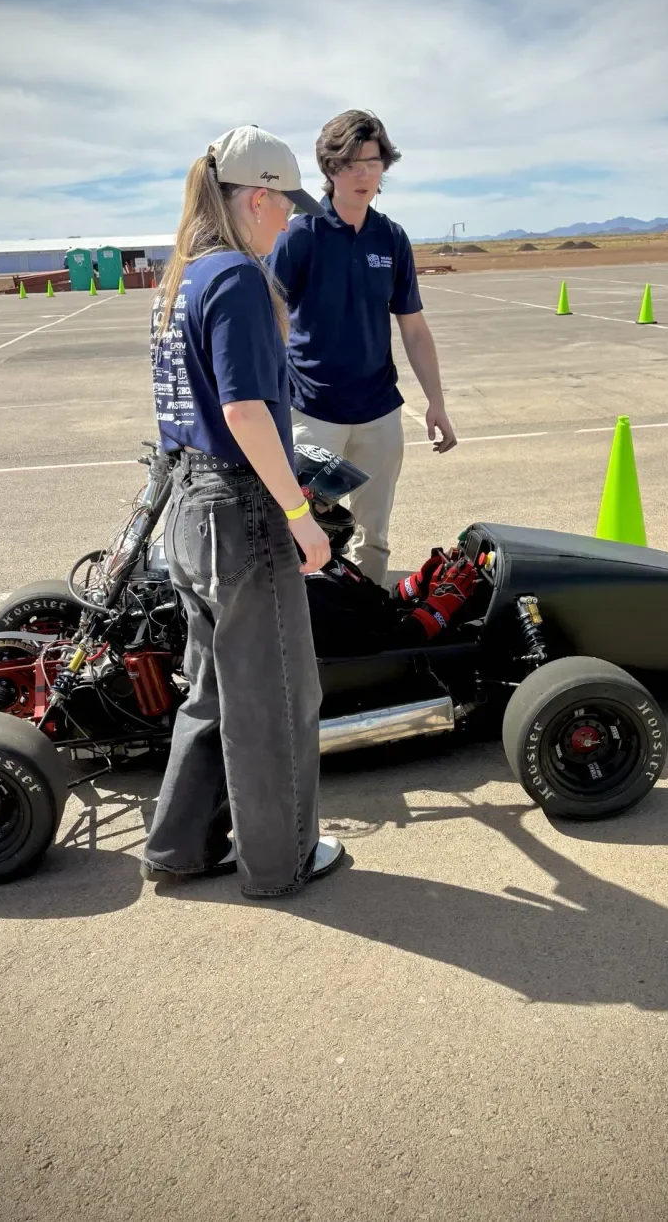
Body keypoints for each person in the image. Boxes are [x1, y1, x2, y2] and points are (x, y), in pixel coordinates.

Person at [141, 125, 345, 898]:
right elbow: (245, 411)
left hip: (189, 506)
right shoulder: (236, 278)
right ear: (257, 198)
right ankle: (281, 863)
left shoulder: (181, 279)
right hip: (241, 512)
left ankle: (181, 847)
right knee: (276, 701)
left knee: (212, 690)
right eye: (285, 206)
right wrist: (300, 515)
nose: (288, 222)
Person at [269, 109, 457, 586]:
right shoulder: (299, 235)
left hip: (378, 413)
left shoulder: (390, 238)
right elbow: (268, 320)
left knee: (374, 537)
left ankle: (365, 617)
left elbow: (413, 328)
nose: (363, 174)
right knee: (306, 537)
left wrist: (436, 402)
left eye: (372, 163)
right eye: (350, 163)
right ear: (329, 169)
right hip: (313, 412)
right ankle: (308, 620)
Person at [293, 444, 481, 657]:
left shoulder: (324, 562)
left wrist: (418, 583)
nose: (334, 511)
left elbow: (372, 604)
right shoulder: (310, 590)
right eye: (326, 504)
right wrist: (437, 610)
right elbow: (375, 648)